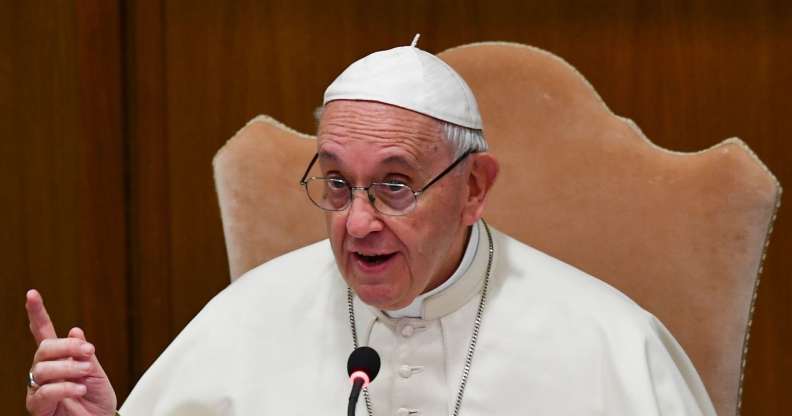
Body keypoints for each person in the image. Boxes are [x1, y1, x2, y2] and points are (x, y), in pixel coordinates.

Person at [25, 40, 717, 415]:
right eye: (336, 183)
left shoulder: (611, 346)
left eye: (395, 185)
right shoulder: (244, 322)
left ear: (473, 188)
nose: (358, 223)